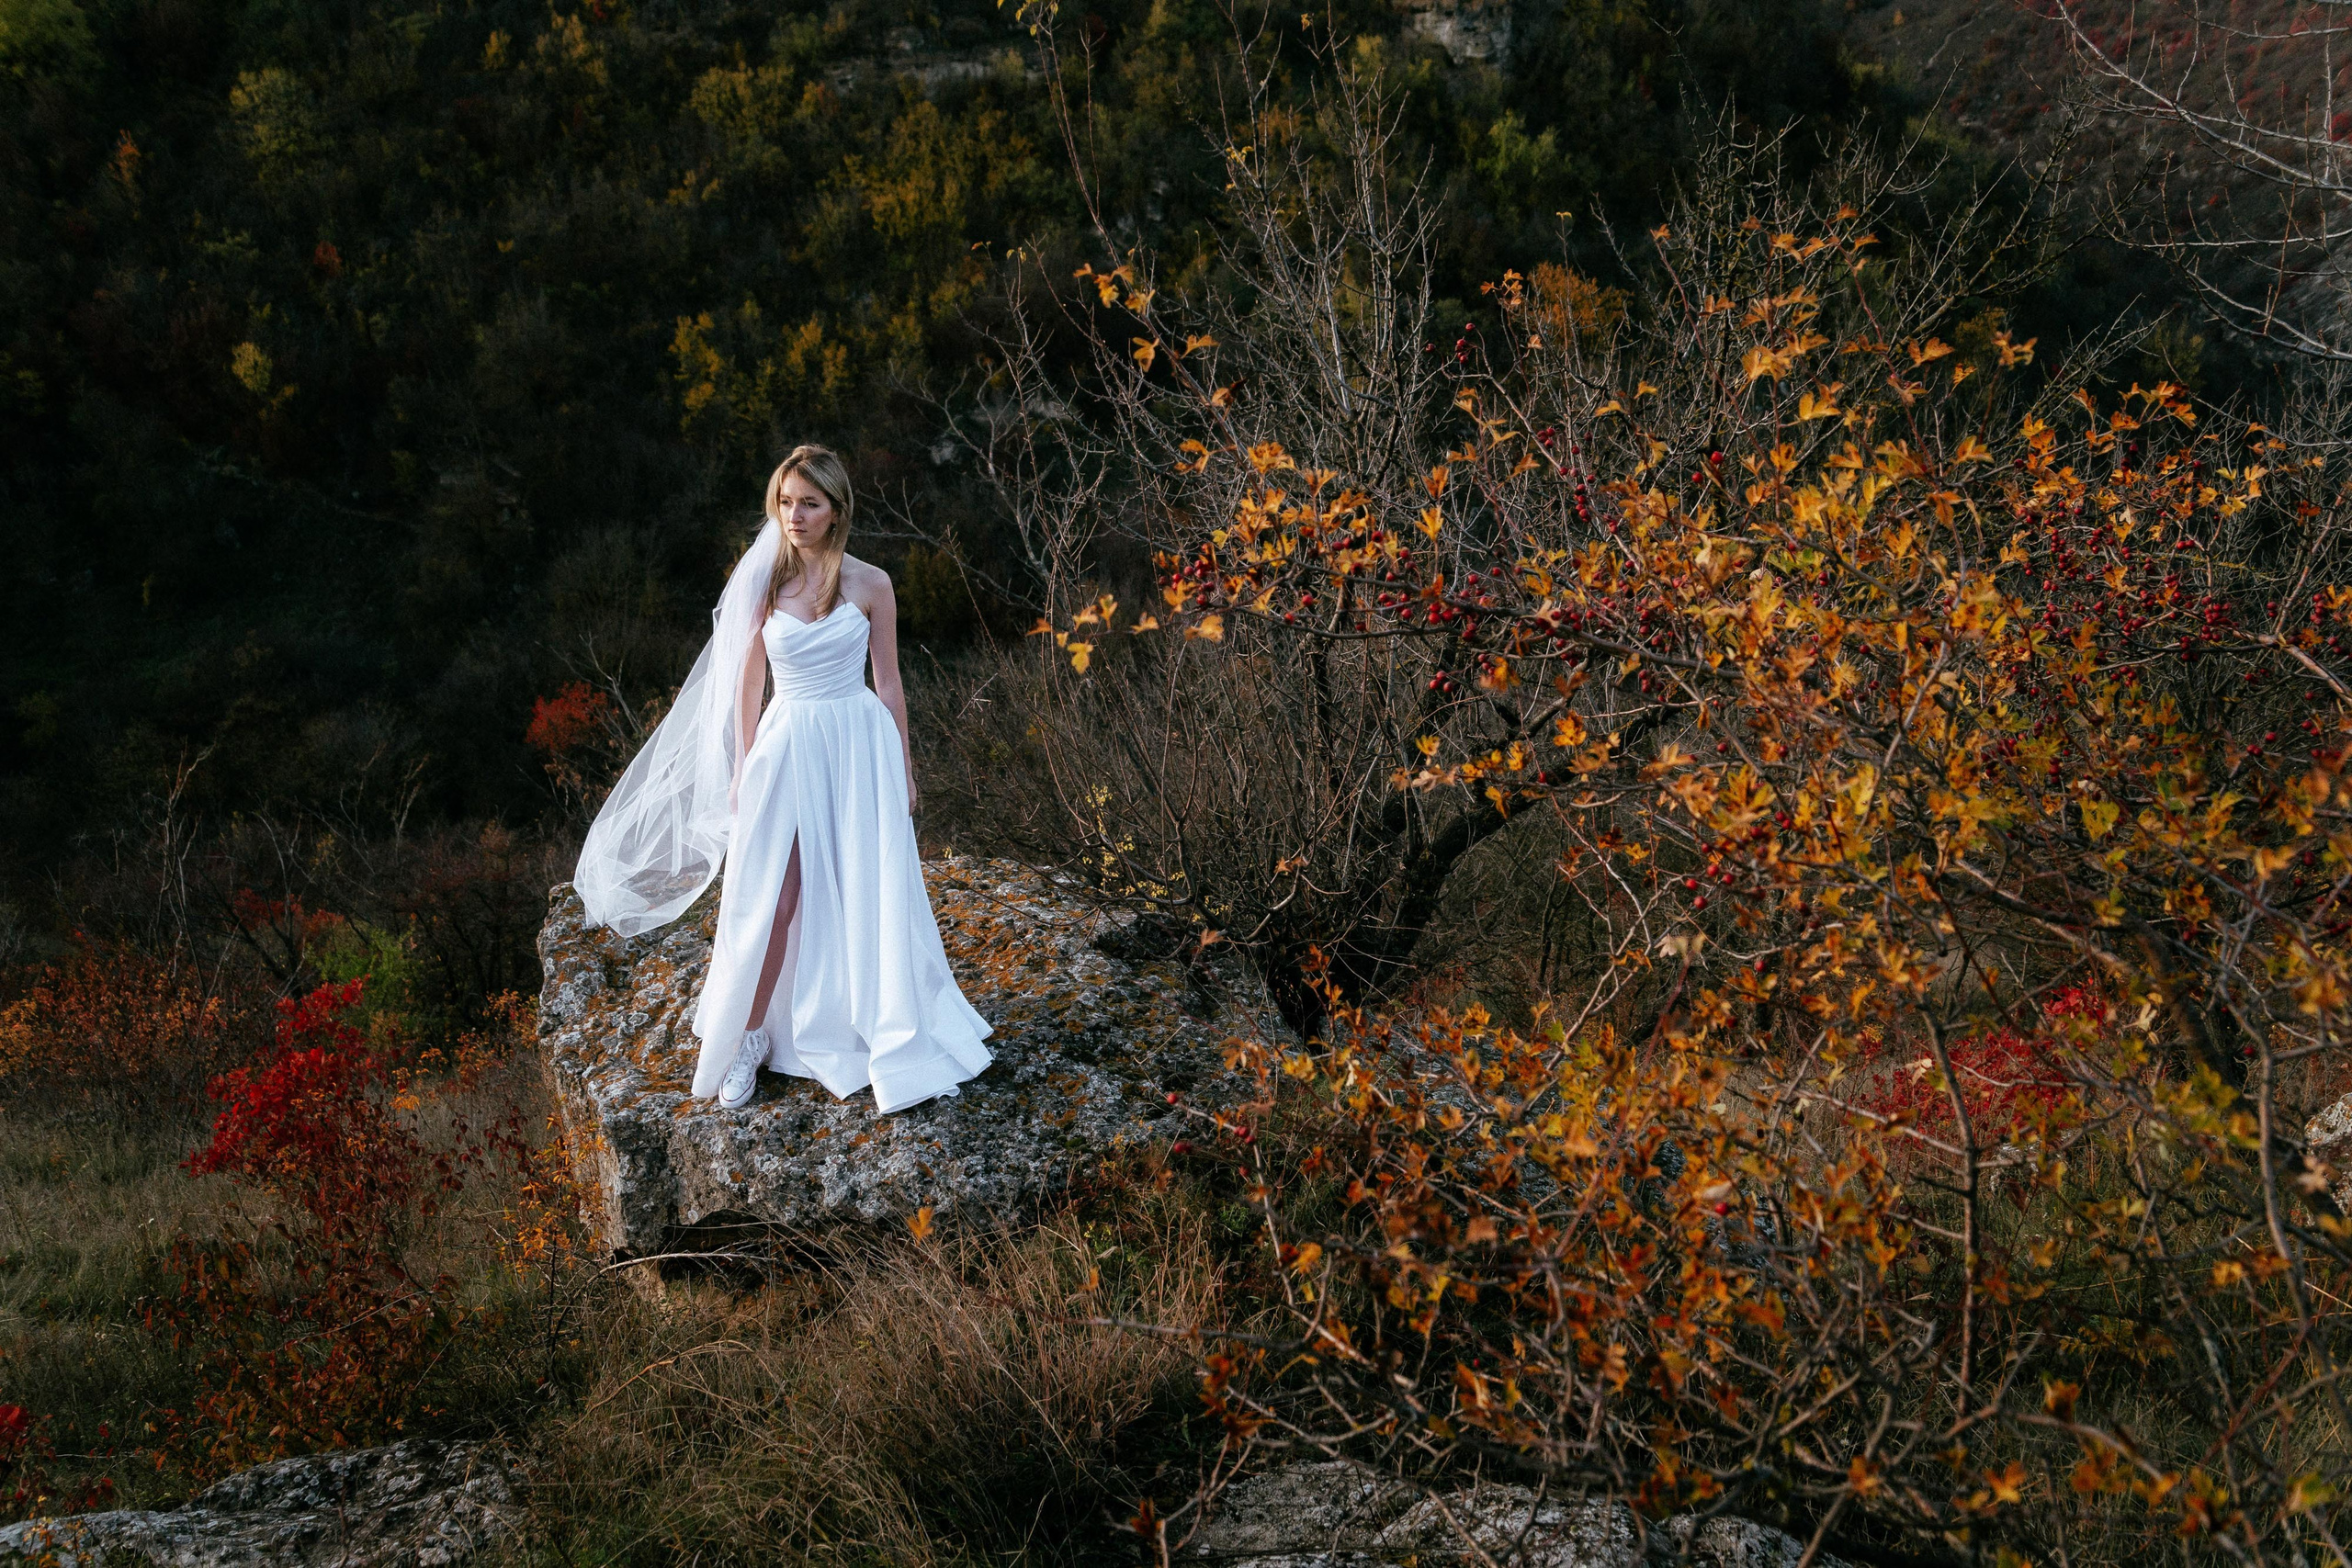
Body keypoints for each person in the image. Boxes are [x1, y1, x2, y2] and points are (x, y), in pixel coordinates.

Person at [571, 444, 993, 1112]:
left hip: (856, 747)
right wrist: (743, 767)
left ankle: (867, 1018)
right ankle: (748, 1035)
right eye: (785, 502)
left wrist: (905, 767)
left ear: (837, 510)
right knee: (779, 893)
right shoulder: (764, 582)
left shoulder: (872, 584)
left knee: (864, 883)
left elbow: (888, 683)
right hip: (788, 745)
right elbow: (748, 683)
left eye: (809, 503)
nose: (794, 516)